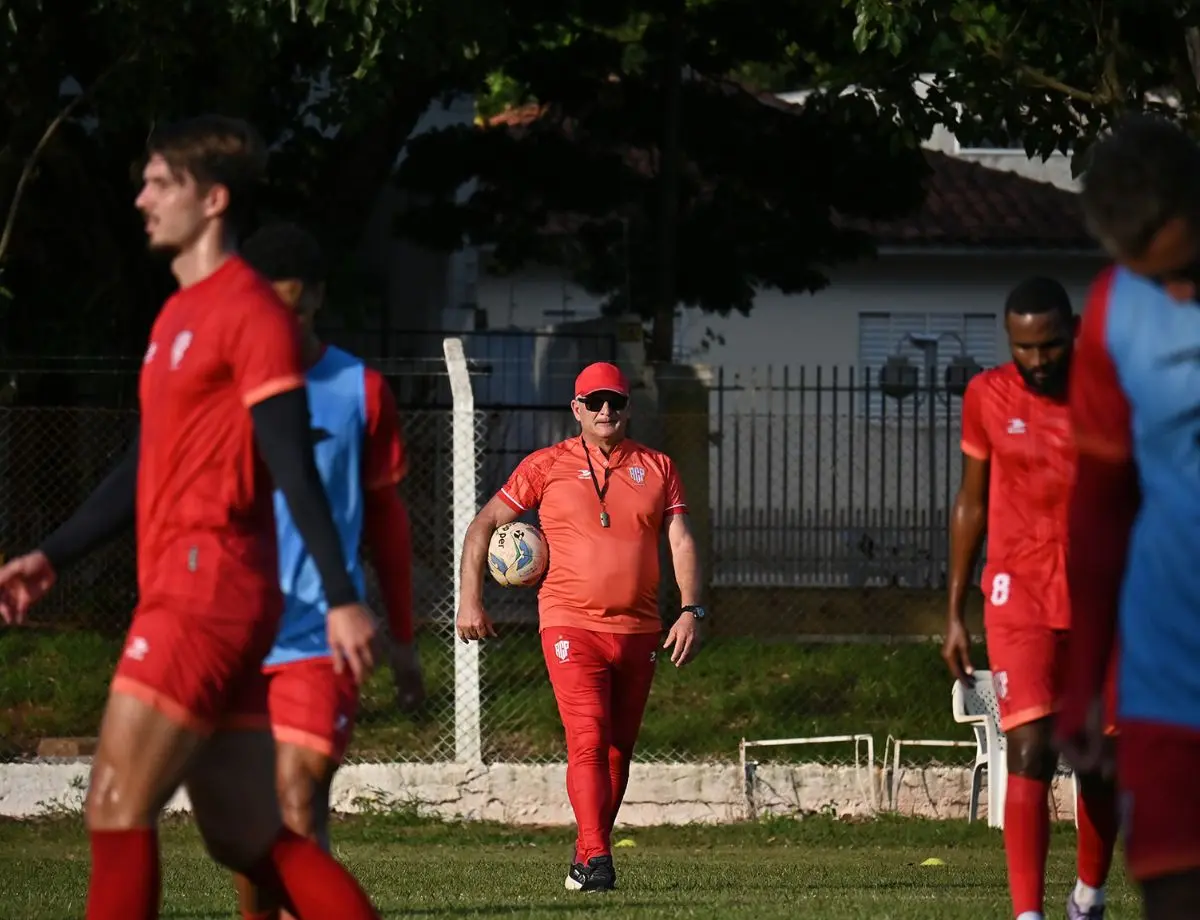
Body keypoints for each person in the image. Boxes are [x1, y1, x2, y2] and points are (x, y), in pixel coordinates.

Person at [0, 115, 381, 920]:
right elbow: (145, 464)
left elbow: (291, 461)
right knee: (245, 834)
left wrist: (344, 596)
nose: (140, 198)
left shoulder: (250, 313)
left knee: (112, 803)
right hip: (201, 592)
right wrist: (53, 555)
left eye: (159, 183)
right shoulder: (178, 317)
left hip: (206, 591)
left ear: (211, 199)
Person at [230, 222, 425, 920]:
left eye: (296, 309)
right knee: (254, 824)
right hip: (235, 633)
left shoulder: (360, 391)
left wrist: (401, 640)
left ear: (316, 298)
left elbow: (387, 522)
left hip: (321, 635)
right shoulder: (224, 390)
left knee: (293, 796)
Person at [455, 362, 704, 892]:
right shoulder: (545, 465)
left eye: (614, 400)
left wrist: (691, 608)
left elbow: (680, 539)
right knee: (587, 739)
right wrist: (470, 599)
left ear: (628, 406)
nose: (605, 411)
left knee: (618, 749)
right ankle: (597, 860)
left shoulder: (658, 466)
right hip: (570, 624)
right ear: (577, 409)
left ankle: (586, 853)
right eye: (594, 402)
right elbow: (483, 525)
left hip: (640, 630)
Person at [1058, 113, 1200, 920]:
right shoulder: (1115, 310)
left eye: (1189, 272)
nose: (1176, 295)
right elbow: (1102, 506)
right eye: (1158, 278)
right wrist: (1084, 680)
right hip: (1168, 671)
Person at [944, 277, 1118, 920]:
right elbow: (970, 501)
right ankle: (1027, 915)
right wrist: (954, 609)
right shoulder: (986, 395)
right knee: (1031, 746)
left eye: (1048, 346)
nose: (1037, 361)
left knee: (1100, 759)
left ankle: (1089, 898)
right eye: (1024, 348)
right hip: (1017, 592)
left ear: (1072, 334)